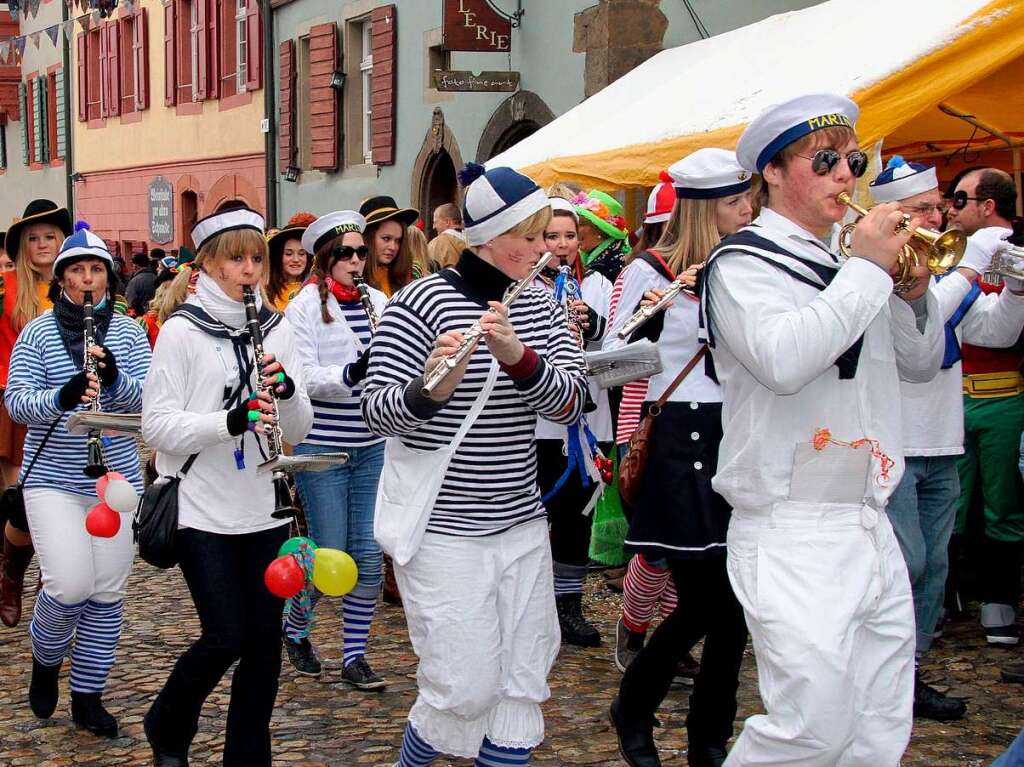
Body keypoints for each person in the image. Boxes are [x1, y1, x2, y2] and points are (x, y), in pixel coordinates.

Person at [699, 93, 945, 765]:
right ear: (772, 173)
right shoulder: (742, 264)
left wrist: (911, 295)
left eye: (853, 161)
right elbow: (785, 360)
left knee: (876, 726)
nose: (846, 176)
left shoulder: (848, 265)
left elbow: (921, 365)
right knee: (812, 724)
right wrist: (867, 270)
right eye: (826, 160)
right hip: (791, 522)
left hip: (868, 516)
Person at [362, 163, 587, 767]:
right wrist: (433, 388)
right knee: (464, 686)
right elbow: (378, 413)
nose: (547, 249)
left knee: (521, 681)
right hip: (443, 529)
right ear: (491, 235)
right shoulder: (420, 301)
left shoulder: (542, 304)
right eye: (534, 236)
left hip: (519, 523)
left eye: (550, 237)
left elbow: (571, 403)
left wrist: (519, 357)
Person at [141, 205, 313, 767]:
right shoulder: (183, 333)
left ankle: (247, 756)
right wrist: (228, 421)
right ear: (208, 264)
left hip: (263, 507)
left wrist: (285, 394)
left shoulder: (276, 327)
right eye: (235, 258)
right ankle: (167, 723)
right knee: (226, 635)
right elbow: (157, 425)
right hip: (198, 507)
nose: (249, 270)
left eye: (256, 259)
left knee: (265, 647)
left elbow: (298, 429)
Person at [605, 149, 753, 767]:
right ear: (701, 208)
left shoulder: (750, 263)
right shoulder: (652, 268)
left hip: (739, 433)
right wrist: (664, 306)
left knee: (735, 608)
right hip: (682, 437)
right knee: (709, 600)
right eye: (733, 202)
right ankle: (636, 706)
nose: (747, 211)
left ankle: (707, 739)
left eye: (748, 199)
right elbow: (611, 359)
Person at [868, 157, 1024, 720]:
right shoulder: (877, 270)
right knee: (904, 562)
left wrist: (1016, 290)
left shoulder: (942, 269)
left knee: (934, 564)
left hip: (942, 437)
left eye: (940, 206)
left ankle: (911, 672)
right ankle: (886, 674)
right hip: (894, 440)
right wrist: (970, 264)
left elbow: (992, 329)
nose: (939, 217)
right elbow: (924, 324)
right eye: (923, 210)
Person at [5, 224, 151, 738]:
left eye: (95, 270)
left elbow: (148, 404)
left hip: (115, 478)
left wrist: (111, 380)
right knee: (70, 582)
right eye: (77, 271)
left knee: (107, 591)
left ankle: (88, 694)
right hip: (53, 480)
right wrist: (63, 397)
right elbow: (16, 401)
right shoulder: (38, 332)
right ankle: (45, 660)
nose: (87, 280)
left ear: (108, 278)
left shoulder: (130, 332)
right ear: (61, 280)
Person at [279, 211, 389, 691]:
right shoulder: (303, 307)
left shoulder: (380, 302)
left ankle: (355, 656)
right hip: (323, 446)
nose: (356, 260)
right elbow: (302, 378)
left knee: (367, 554)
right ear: (326, 260)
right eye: (346, 253)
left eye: (361, 252)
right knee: (331, 554)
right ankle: (295, 624)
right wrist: (351, 373)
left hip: (372, 443)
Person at [944, 167, 1024, 647]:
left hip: (1004, 396)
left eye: (959, 200)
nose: (951, 210)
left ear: (987, 204)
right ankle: (947, 595)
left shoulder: (1015, 249)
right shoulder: (952, 251)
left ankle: (1000, 601)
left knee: (1004, 503)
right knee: (951, 502)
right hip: (951, 395)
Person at [533, 197, 613, 647]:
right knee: (538, 510)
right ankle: (537, 603)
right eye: (552, 236)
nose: (562, 245)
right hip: (539, 424)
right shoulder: (525, 289)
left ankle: (569, 603)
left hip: (587, 420)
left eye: (569, 237)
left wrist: (594, 324)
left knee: (577, 515)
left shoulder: (596, 284)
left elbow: (615, 341)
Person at [0, 199, 72, 629]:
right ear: (22, 247)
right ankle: (11, 575)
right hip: (15, 403)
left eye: (50, 237)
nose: (43, 245)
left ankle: (54, 596)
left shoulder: (80, 283)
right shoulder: (6, 286)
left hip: (68, 408)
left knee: (66, 500)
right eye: (34, 239)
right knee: (26, 503)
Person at [360, 195, 419, 297]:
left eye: (398, 240)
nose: (393, 247)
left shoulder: (408, 279)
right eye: (386, 238)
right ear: (368, 238)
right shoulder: (352, 280)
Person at [574, 190, 631, 283]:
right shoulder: (608, 256)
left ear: (600, 230)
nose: (574, 230)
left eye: (581, 224)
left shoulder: (609, 266)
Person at [267, 220, 312, 311]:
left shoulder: (315, 288)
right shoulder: (264, 291)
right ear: (278, 256)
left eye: (301, 254)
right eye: (288, 254)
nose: (296, 259)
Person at [126, 250, 159, 316]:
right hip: (156, 315)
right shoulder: (157, 277)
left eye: (132, 265)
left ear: (136, 266)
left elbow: (130, 302)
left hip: (141, 317)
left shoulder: (135, 281)